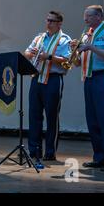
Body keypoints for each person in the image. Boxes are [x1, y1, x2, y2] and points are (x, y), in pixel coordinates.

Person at [70, 5, 104, 172]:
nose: (85, 19)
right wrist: (75, 51)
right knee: (92, 120)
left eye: (89, 16)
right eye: (85, 16)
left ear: (99, 16)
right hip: (89, 78)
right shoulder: (86, 35)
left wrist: (91, 47)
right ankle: (100, 157)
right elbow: (77, 63)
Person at [24, 11, 71, 161]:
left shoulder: (65, 39)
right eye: (47, 20)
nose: (48, 23)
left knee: (51, 116)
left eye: (52, 21)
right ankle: (34, 150)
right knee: (34, 115)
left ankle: (50, 152)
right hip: (36, 78)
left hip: (53, 79)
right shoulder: (39, 37)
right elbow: (26, 52)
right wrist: (31, 54)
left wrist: (49, 56)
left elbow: (67, 61)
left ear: (59, 23)